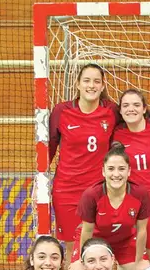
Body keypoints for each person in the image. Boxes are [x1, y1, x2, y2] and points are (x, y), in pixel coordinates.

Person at [48, 64, 119, 257]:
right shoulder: (62, 111)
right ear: (77, 84)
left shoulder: (111, 111)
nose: (91, 85)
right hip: (67, 190)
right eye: (86, 80)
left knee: (99, 246)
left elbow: (135, 118)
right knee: (73, 250)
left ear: (103, 86)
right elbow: (49, 148)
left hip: (99, 190)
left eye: (97, 81)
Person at [67, 145, 150, 270]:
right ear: (103, 171)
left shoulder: (140, 194)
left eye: (121, 169)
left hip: (125, 241)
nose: (116, 174)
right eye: (111, 169)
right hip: (94, 240)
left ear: (129, 171)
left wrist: (139, 260)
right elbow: (87, 231)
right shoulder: (91, 195)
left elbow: (142, 231)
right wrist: (81, 260)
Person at [112, 89, 150, 263]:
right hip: (130, 201)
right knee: (130, 253)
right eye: (126, 105)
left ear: (145, 108)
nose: (131, 109)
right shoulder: (116, 134)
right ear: (121, 111)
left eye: (136, 105)